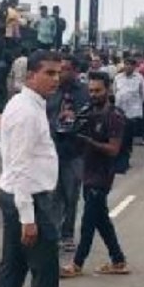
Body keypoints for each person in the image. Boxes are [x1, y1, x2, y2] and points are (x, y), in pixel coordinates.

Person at [0, 50, 66, 287]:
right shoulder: (26, 112)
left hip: (17, 194)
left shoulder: (25, 104)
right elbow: (20, 166)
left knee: (12, 267)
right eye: (49, 73)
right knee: (44, 272)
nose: (55, 79)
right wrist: (28, 218)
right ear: (32, 75)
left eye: (58, 73)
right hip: (29, 199)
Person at [59, 71, 130, 278]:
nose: (93, 94)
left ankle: (77, 264)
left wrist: (87, 141)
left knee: (89, 222)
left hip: (102, 175)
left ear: (108, 89)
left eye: (98, 91)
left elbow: (113, 149)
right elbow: (74, 127)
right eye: (90, 91)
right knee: (101, 220)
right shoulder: (88, 110)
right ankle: (118, 260)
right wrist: (70, 122)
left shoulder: (114, 116)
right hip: (88, 172)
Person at [48, 55, 89, 254]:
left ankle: (67, 234)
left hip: (74, 151)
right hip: (52, 149)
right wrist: (56, 118)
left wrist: (75, 117)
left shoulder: (83, 92)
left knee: (71, 194)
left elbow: (88, 118)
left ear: (74, 71)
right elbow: (45, 114)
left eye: (64, 69)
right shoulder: (51, 90)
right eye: (59, 69)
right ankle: (54, 233)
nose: (60, 73)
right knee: (53, 195)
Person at [114, 57, 144, 173]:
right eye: (126, 64)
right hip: (119, 111)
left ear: (134, 67)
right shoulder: (118, 78)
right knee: (118, 136)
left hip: (132, 113)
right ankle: (119, 160)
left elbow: (143, 94)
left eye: (130, 65)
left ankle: (125, 160)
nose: (128, 67)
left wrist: (137, 106)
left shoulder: (139, 78)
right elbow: (115, 91)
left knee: (127, 138)